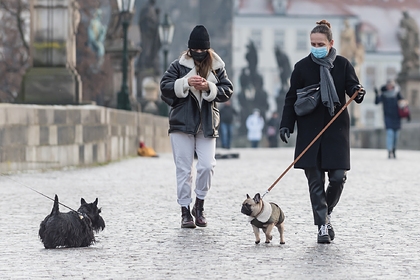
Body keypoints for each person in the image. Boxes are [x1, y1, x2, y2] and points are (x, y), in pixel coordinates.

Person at [278, 20, 366, 244]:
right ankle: (322, 226)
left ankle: (326, 212)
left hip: (336, 131)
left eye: (320, 43)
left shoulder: (343, 65)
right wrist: (286, 124)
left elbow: (352, 87)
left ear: (330, 43)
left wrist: (358, 91)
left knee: (338, 177)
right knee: (315, 181)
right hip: (310, 132)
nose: (316, 46)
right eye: (313, 43)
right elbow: (291, 98)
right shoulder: (301, 67)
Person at [160, 25, 233, 228]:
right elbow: (164, 88)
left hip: (207, 123)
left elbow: (228, 90)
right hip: (182, 123)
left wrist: (209, 87)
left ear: (208, 50)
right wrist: (185, 83)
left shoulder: (217, 67)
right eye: (195, 50)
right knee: (184, 170)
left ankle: (199, 205)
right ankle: (185, 211)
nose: (199, 53)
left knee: (207, 166)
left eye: (202, 50)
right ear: (190, 49)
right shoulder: (178, 66)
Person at [374, 80, 407, 159]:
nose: (389, 87)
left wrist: (406, 112)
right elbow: (377, 102)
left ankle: (394, 149)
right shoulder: (384, 94)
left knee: (396, 135)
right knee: (390, 134)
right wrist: (376, 94)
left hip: (396, 117)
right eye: (388, 85)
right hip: (388, 117)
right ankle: (389, 151)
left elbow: (403, 102)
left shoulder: (397, 93)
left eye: (391, 85)